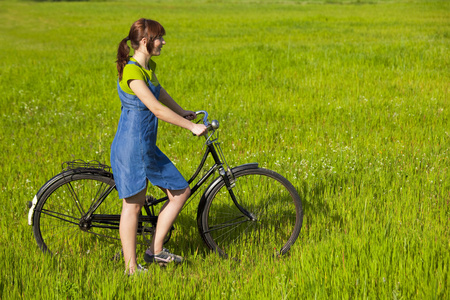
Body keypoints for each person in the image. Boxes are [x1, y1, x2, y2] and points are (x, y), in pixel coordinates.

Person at [111, 18, 208, 275]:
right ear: (145, 42)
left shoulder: (146, 67)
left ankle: (155, 251)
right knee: (132, 205)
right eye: (160, 38)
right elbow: (154, 108)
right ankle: (131, 268)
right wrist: (191, 127)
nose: (163, 42)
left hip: (144, 145)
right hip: (133, 147)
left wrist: (182, 111)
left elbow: (158, 91)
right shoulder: (132, 72)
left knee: (180, 191)